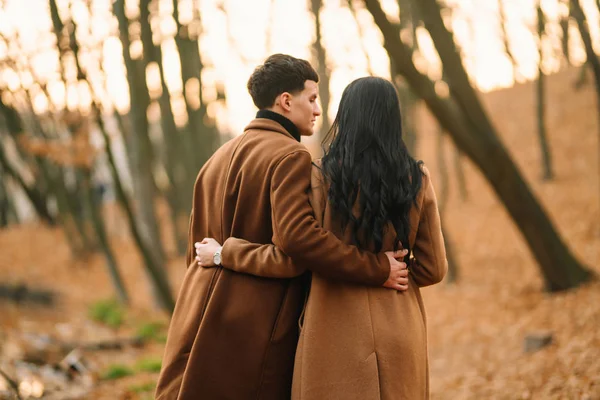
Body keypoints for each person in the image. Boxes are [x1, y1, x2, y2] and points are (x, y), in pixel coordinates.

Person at [155, 56, 410, 400]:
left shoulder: (214, 160)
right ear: (286, 102)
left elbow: (197, 252)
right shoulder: (291, 156)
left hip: (197, 315)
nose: (318, 111)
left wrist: (218, 255)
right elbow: (297, 246)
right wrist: (377, 267)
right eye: (312, 99)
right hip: (253, 322)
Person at [196, 76, 448, 399]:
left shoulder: (319, 176)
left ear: (345, 117)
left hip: (332, 334)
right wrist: (395, 269)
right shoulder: (418, 179)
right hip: (401, 330)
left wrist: (224, 253)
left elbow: (294, 252)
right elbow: (433, 268)